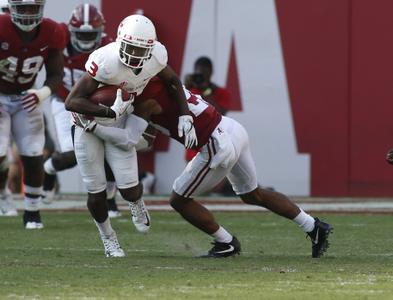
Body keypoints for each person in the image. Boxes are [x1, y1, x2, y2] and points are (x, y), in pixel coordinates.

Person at [81, 77, 333, 258]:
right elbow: (145, 141)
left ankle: (226, 242)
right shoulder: (161, 80)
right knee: (252, 193)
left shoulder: (146, 100)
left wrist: (95, 128)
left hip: (216, 143)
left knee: (179, 199)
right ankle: (313, 226)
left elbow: (129, 140)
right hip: (232, 128)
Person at [65, 14, 197, 257]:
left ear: (151, 48)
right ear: (119, 42)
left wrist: (185, 114)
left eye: (141, 49)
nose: (135, 54)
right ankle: (109, 238)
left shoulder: (157, 56)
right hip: (87, 123)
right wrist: (107, 110)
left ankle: (136, 204)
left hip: (120, 120)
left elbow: (173, 81)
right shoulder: (105, 60)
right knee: (96, 192)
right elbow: (71, 101)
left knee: (130, 189)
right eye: (131, 47)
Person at [40, 4, 121, 217]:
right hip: (64, 101)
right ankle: (48, 169)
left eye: (91, 34)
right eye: (81, 34)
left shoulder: (108, 45)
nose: (86, 39)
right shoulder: (58, 39)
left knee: (109, 150)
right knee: (74, 153)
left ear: (100, 32)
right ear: (71, 30)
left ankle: (111, 200)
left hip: (96, 104)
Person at [0, 0, 65, 227]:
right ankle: (3, 195)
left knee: (34, 153)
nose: (28, 13)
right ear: (13, 8)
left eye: (32, 7)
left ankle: (32, 211)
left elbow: (57, 74)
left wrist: (42, 93)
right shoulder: (1, 25)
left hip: (26, 97)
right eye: (23, 7)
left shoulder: (52, 30)